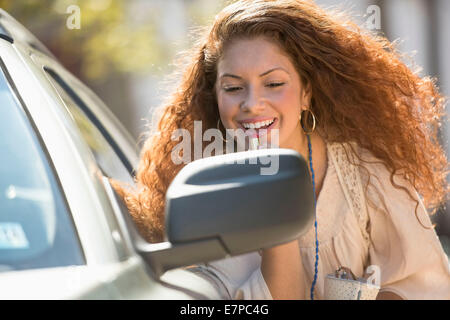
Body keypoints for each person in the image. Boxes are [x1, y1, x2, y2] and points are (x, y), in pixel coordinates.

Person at [111, 0, 450, 299]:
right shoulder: (204, 191)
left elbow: (424, 282)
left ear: (306, 93)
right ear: (215, 96)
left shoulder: (365, 172)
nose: (252, 104)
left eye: (273, 84)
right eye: (233, 87)